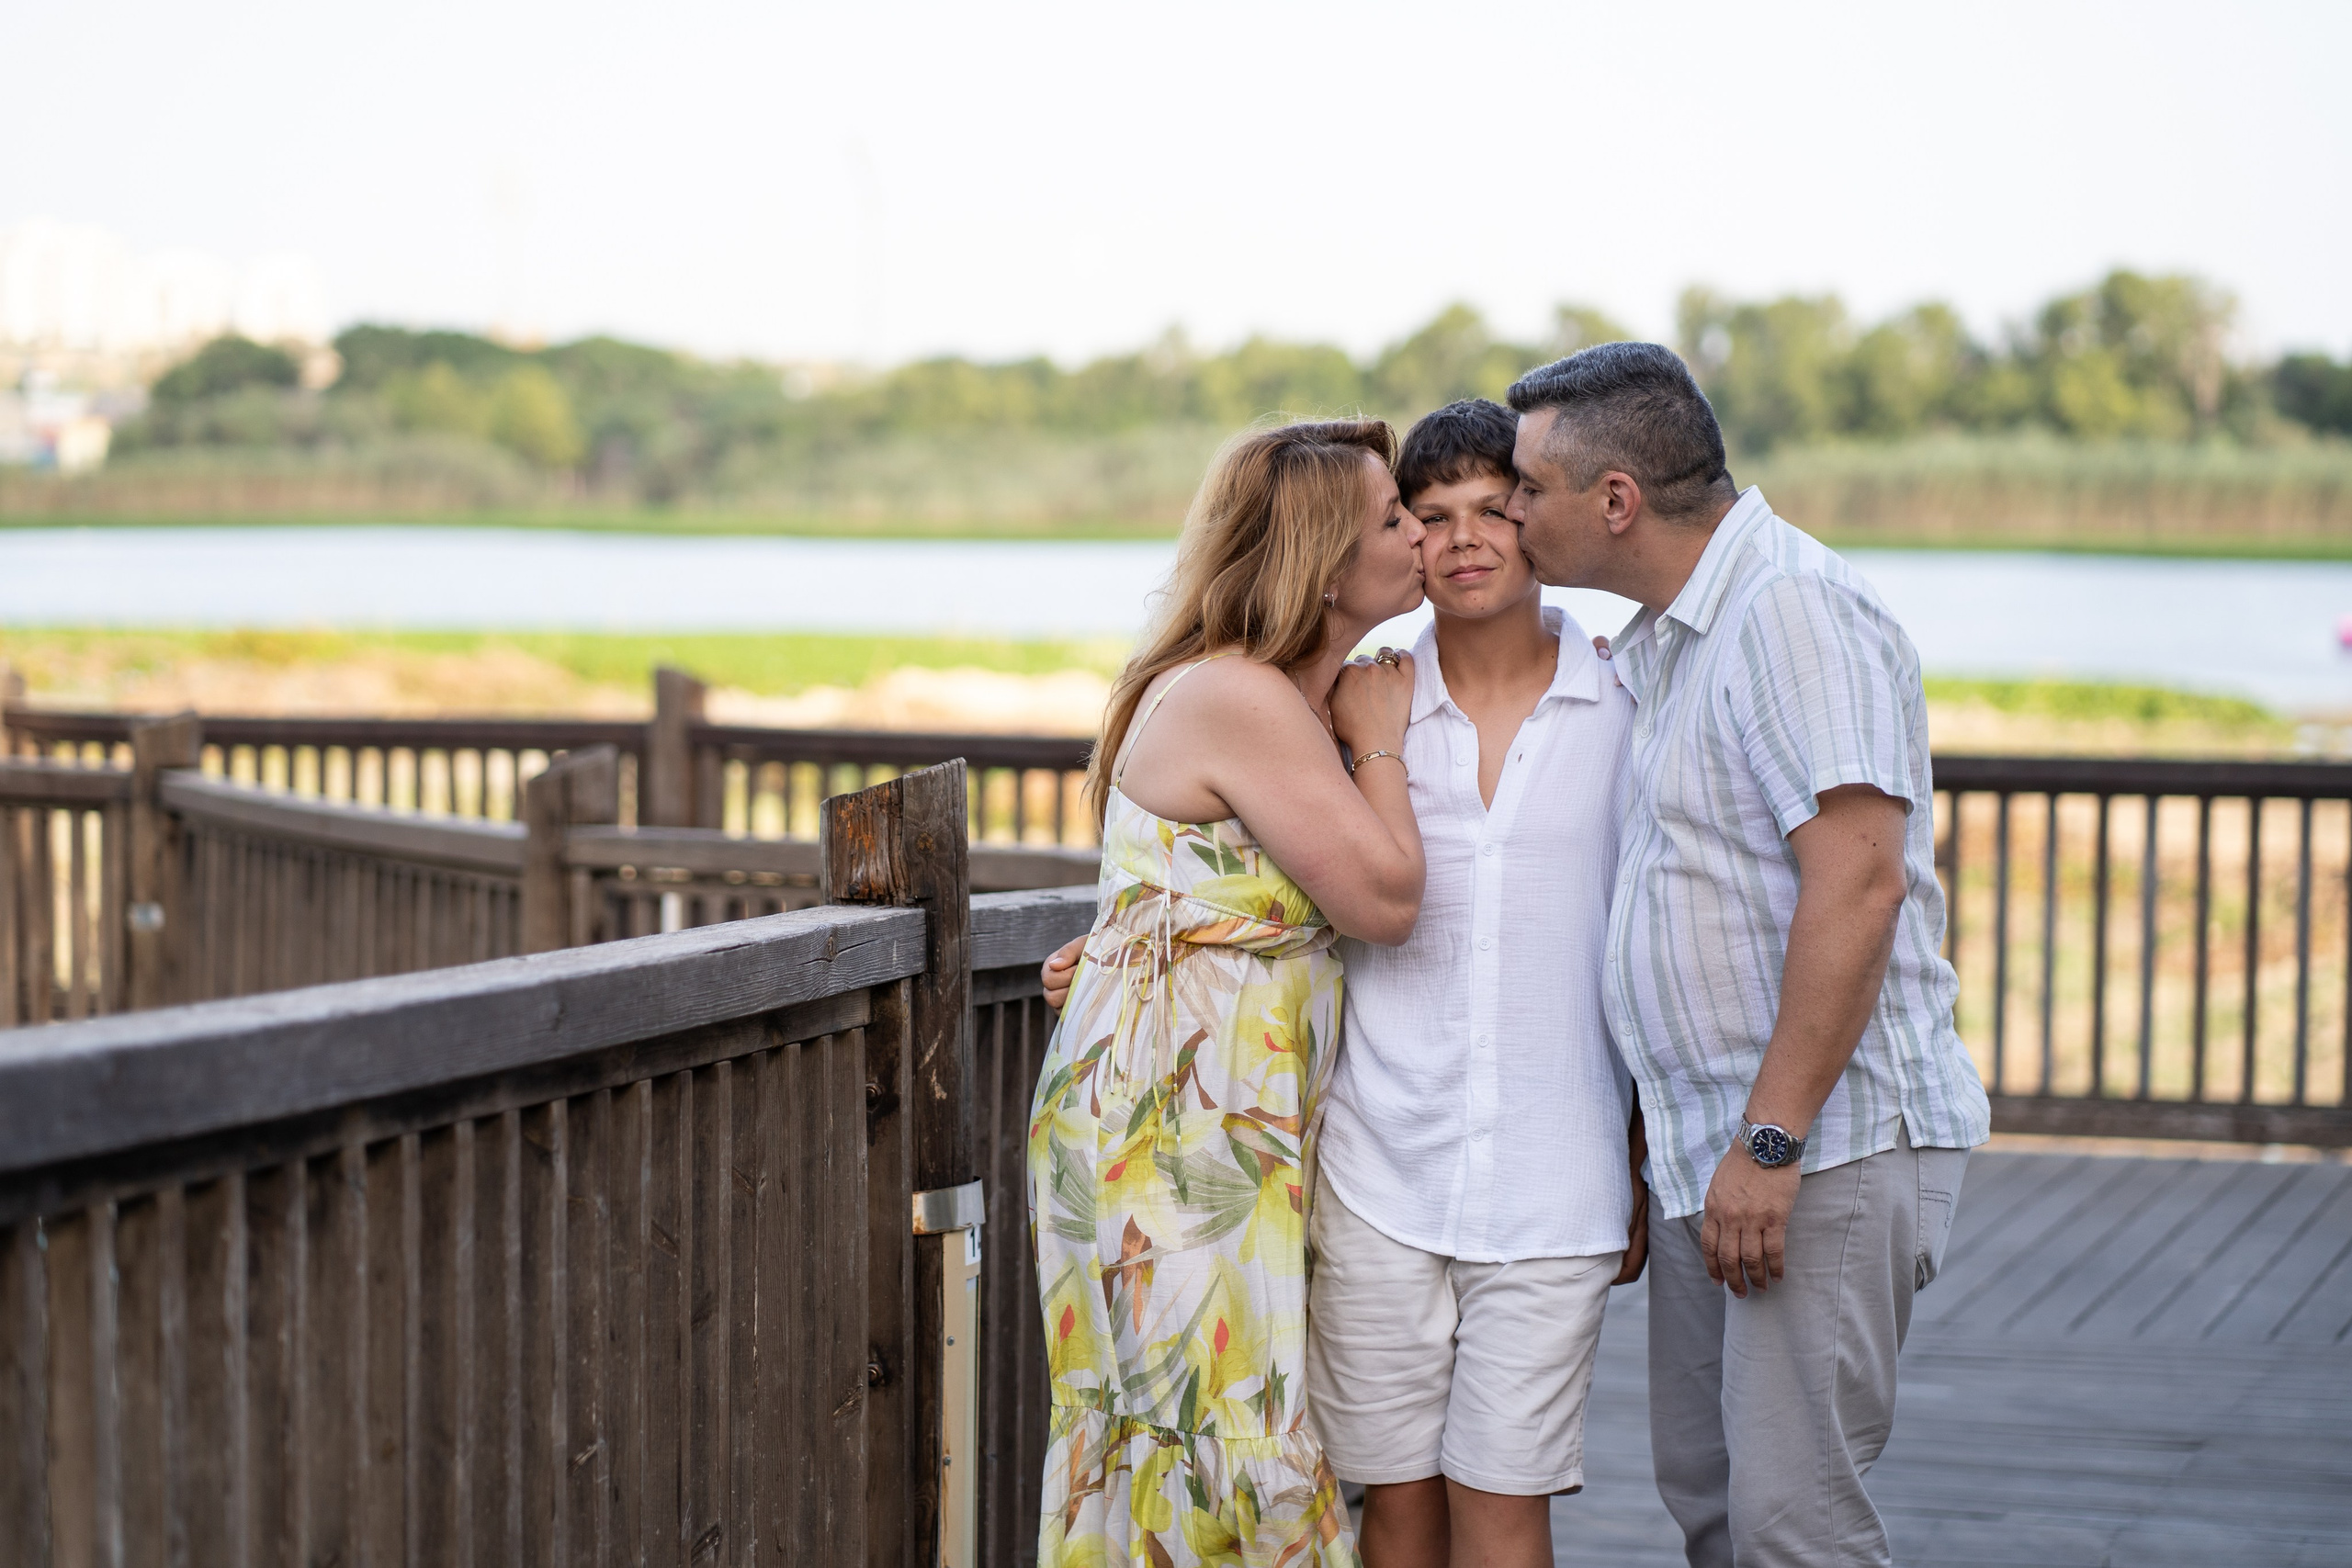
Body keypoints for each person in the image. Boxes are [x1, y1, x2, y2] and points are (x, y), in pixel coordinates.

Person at [1504, 343, 1991, 1568]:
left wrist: (1770, 1144)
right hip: (1712, 1150)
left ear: (1615, 499)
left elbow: (1860, 882)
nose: (1508, 511)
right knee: (1716, 1505)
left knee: (1792, 1526)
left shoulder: (1791, 613)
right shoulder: (1674, 636)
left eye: (1527, 487)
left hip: (1816, 1146)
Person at [1027, 419, 1430, 1568]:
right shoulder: (1242, 696)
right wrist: (1380, 743)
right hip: (1177, 1131)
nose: (1417, 534)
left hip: (1212, 1112)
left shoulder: (1266, 696)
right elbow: (1385, 899)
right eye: (1392, 517)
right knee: (1219, 1420)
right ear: (1323, 561)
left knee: (1201, 1422)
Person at [1303, 399, 1645, 1568]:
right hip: (1374, 1173)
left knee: (1502, 1510)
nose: (1463, 540)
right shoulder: (1359, 703)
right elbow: (1255, 871)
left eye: (1494, 510)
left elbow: (1659, 941)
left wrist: (1643, 1151)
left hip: (1557, 1183)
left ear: (1537, 516)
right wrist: (1116, 953)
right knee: (1396, 1509)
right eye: (1431, 514)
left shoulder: (1630, 706)